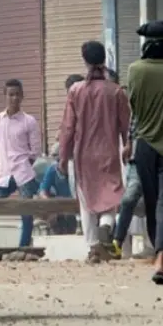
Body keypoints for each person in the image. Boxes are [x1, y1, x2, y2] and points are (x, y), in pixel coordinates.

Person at [58, 40, 129, 263]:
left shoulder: (75, 91)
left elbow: (67, 127)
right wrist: (128, 146)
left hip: (83, 155)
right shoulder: (116, 92)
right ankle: (107, 226)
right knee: (111, 195)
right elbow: (127, 126)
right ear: (104, 61)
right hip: (109, 152)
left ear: (85, 61)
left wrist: (63, 157)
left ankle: (92, 247)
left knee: (86, 200)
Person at [126, 20, 163, 283]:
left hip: (145, 147)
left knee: (154, 203)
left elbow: (135, 109)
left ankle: (161, 255)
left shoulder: (134, 71)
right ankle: (162, 257)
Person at [0, 79, 42, 248]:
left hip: (23, 173)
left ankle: (24, 248)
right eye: (11, 94)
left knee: (26, 213)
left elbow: (35, 151)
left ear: (22, 96)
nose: (14, 98)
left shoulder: (29, 121)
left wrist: (25, 164)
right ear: (5, 96)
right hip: (3, 175)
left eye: (17, 94)